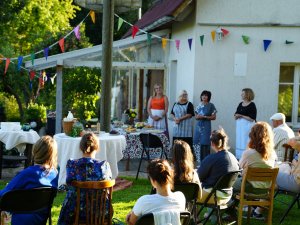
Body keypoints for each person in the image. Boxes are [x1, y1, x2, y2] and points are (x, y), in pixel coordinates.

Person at [0, 136, 58, 225]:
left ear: (35, 151)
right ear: (53, 155)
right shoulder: (54, 175)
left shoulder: (27, 174)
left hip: (21, 220)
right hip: (40, 219)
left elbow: (3, 195)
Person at [58, 132, 112, 225]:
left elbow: (69, 185)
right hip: (100, 213)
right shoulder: (104, 166)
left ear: (81, 147)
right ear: (97, 147)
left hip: (75, 213)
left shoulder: (72, 164)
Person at [234, 122, 277, 219]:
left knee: (227, 183)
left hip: (248, 187)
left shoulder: (249, 153)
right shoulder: (272, 154)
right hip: (265, 189)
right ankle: (253, 211)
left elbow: (238, 168)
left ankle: (231, 211)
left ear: (252, 136)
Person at [126, 159, 186, 225]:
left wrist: (128, 219)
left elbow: (131, 222)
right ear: (170, 176)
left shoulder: (144, 201)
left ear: (153, 181)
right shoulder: (181, 197)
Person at [197, 128, 239, 205]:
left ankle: (190, 215)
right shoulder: (233, 158)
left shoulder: (212, 158)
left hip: (213, 196)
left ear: (212, 143)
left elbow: (198, 177)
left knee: (187, 193)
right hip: (228, 195)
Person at [193, 90, 217, 161]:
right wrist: (199, 117)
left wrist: (205, 117)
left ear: (208, 97)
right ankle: (199, 161)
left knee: (205, 142)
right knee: (197, 142)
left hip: (206, 126)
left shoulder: (211, 105)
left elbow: (214, 117)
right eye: (203, 95)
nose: (204, 96)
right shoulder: (199, 105)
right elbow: (196, 117)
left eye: (206, 95)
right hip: (198, 127)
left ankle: (206, 161)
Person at [234, 88, 257, 160]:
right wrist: (236, 116)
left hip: (247, 127)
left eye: (243, 93)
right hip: (240, 128)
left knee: (246, 141)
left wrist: (241, 116)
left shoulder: (252, 105)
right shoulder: (240, 104)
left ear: (247, 94)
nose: (241, 94)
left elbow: (252, 118)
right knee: (239, 141)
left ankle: (247, 157)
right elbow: (235, 115)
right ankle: (239, 158)